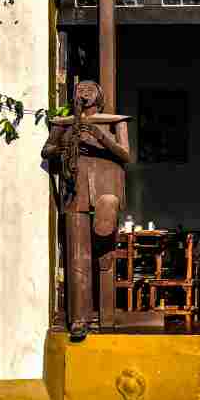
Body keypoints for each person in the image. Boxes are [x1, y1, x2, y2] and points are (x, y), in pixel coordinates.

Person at [42, 80, 131, 338]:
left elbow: (125, 153)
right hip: (75, 186)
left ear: (100, 96)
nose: (85, 91)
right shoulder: (65, 123)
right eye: (80, 89)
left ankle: (105, 243)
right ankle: (79, 320)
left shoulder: (115, 120)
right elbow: (46, 150)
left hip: (106, 181)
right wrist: (64, 147)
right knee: (77, 251)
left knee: (103, 228)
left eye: (90, 88)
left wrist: (98, 134)